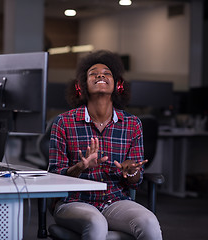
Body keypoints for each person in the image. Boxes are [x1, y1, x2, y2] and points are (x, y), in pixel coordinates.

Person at [48, 50, 162, 240]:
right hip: (73, 202)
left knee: (149, 223)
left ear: (118, 86)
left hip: (115, 201)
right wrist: (79, 168)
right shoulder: (63, 122)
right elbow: (53, 177)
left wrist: (131, 171)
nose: (100, 75)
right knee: (96, 223)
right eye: (93, 73)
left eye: (107, 73)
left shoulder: (132, 124)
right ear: (81, 86)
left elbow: (136, 180)